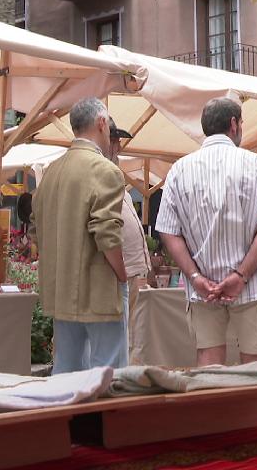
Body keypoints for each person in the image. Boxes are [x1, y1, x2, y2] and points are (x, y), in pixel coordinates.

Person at [156, 97, 257, 366]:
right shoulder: (255, 163)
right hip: (249, 286)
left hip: (203, 288)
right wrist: (240, 275)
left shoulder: (179, 170)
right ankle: (253, 410)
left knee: (209, 363)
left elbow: (168, 232)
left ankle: (214, 409)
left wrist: (194, 277)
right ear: (234, 124)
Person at [32, 97, 128, 374]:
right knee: (108, 372)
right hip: (98, 288)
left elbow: (35, 228)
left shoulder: (51, 172)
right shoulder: (105, 170)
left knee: (65, 369)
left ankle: (65, 418)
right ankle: (102, 419)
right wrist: (122, 275)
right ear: (101, 123)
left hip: (60, 290)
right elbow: (107, 232)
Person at [105, 119, 152, 365]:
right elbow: (104, 229)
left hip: (133, 270)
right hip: (123, 271)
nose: (118, 147)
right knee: (126, 337)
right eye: (114, 140)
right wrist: (122, 271)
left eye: (118, 141)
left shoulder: (114, 176)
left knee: (134, 336)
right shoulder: (101, 174)